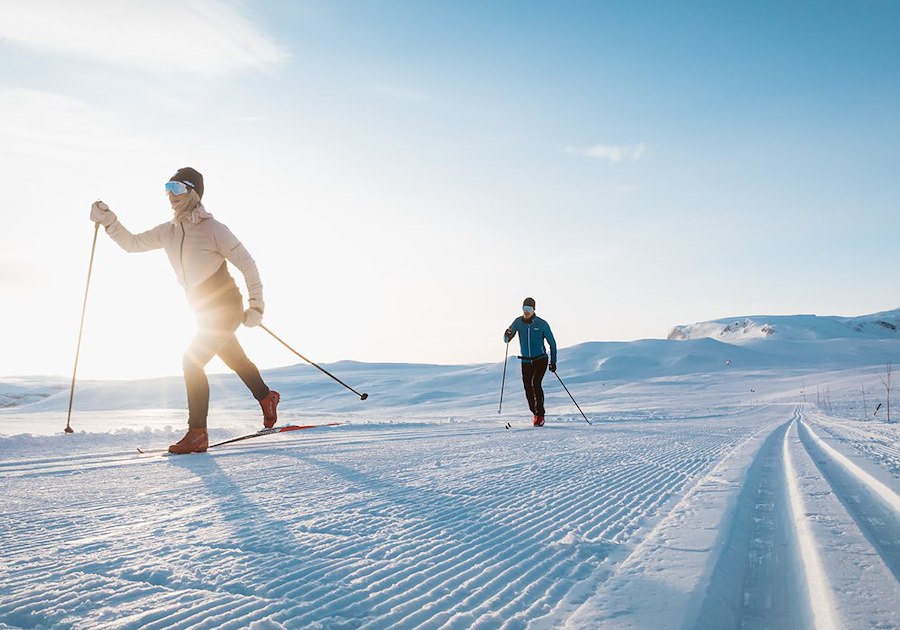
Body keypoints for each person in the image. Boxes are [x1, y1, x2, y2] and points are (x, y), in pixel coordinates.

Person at [89, 167, 280, 454]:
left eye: (177, 188)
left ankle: (198, 433)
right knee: (234, 359)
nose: (170, 194)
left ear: (193, 193)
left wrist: (256, 306)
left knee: (192, 361)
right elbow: (132, 244)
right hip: (201, 310)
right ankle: (267, 397)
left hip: (226, 306)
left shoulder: (214, 229)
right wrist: (109, 220)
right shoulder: (168, 231)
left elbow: (247, 263)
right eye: (167, 187)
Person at [503, 297, 557, 426]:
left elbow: (552, 343)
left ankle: (541, 415)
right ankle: (535, 413)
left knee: (535, 384)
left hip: (540, 359)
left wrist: (553, 361)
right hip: (526, 361)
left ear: (534, 310)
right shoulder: (517, 322)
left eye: (529, 309)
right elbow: (506, 340)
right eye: (524, 309)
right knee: (528, 388)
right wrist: (507, 334)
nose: (526, 312)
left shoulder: (542, 324)